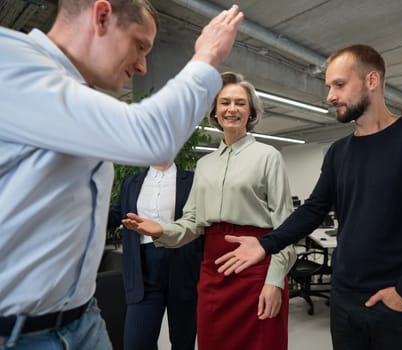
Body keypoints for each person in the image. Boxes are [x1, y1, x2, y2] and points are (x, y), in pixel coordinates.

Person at [0, 0, 243, 348]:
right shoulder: (12, 61)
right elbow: (151, 137)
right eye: (140, 45)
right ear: (101, 17)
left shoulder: (71, 94)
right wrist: (206, 57)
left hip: (81, 318)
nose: (143, 66)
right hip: (19, 335)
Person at [215, 45, 402, 350]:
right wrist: (266, 244)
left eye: (339, 84)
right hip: (344, 300)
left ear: (371, 81)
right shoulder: (339, 152)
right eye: (329, 87)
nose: (330, 95)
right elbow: (314, 209)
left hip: (397, 302)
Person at [122, 72, 296, 350]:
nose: (232, 109)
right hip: (213, 272)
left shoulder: (268, 156)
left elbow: (286, 228)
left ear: (251, 111)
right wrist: (162, 230)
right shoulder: (205, 164)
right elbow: (193, 222)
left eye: (240, 103)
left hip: (256, 268)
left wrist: (275, 281)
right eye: (225, 102)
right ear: (214, 110)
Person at [107, 162, 202, 350]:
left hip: (183, 265)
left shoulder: (192, 181)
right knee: (136, 343)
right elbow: (115, 215)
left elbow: (199, 222)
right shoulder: (130, 183)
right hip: (143, 269)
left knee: (183, 342)